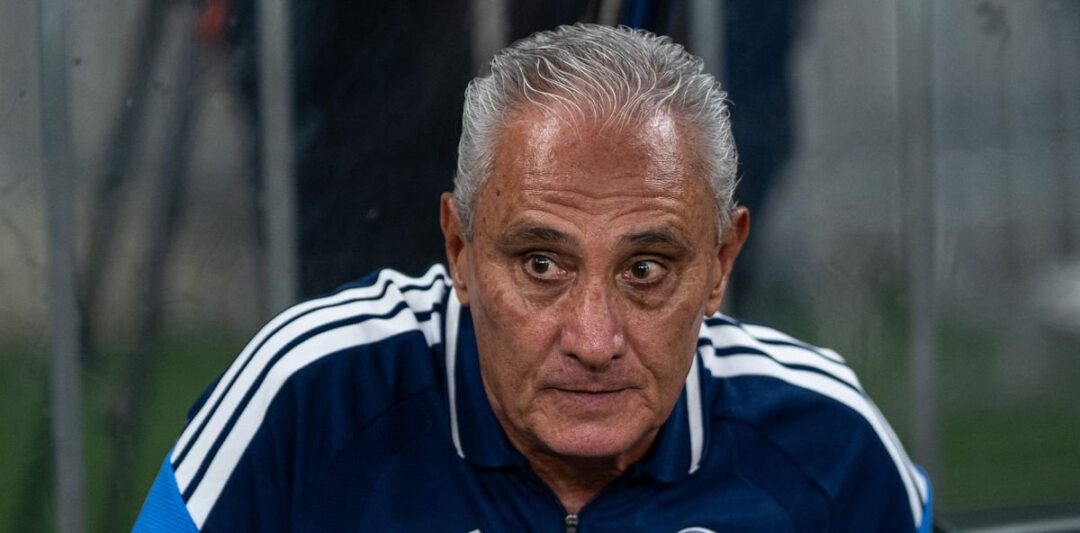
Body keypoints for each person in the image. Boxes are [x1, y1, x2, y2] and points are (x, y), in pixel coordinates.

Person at [134, 23, 932, 531]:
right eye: (542, 264)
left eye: (646, 269)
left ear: (721, 262)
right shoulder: (312, 396)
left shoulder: (828, 442)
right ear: (459, 249)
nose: (594, 338)